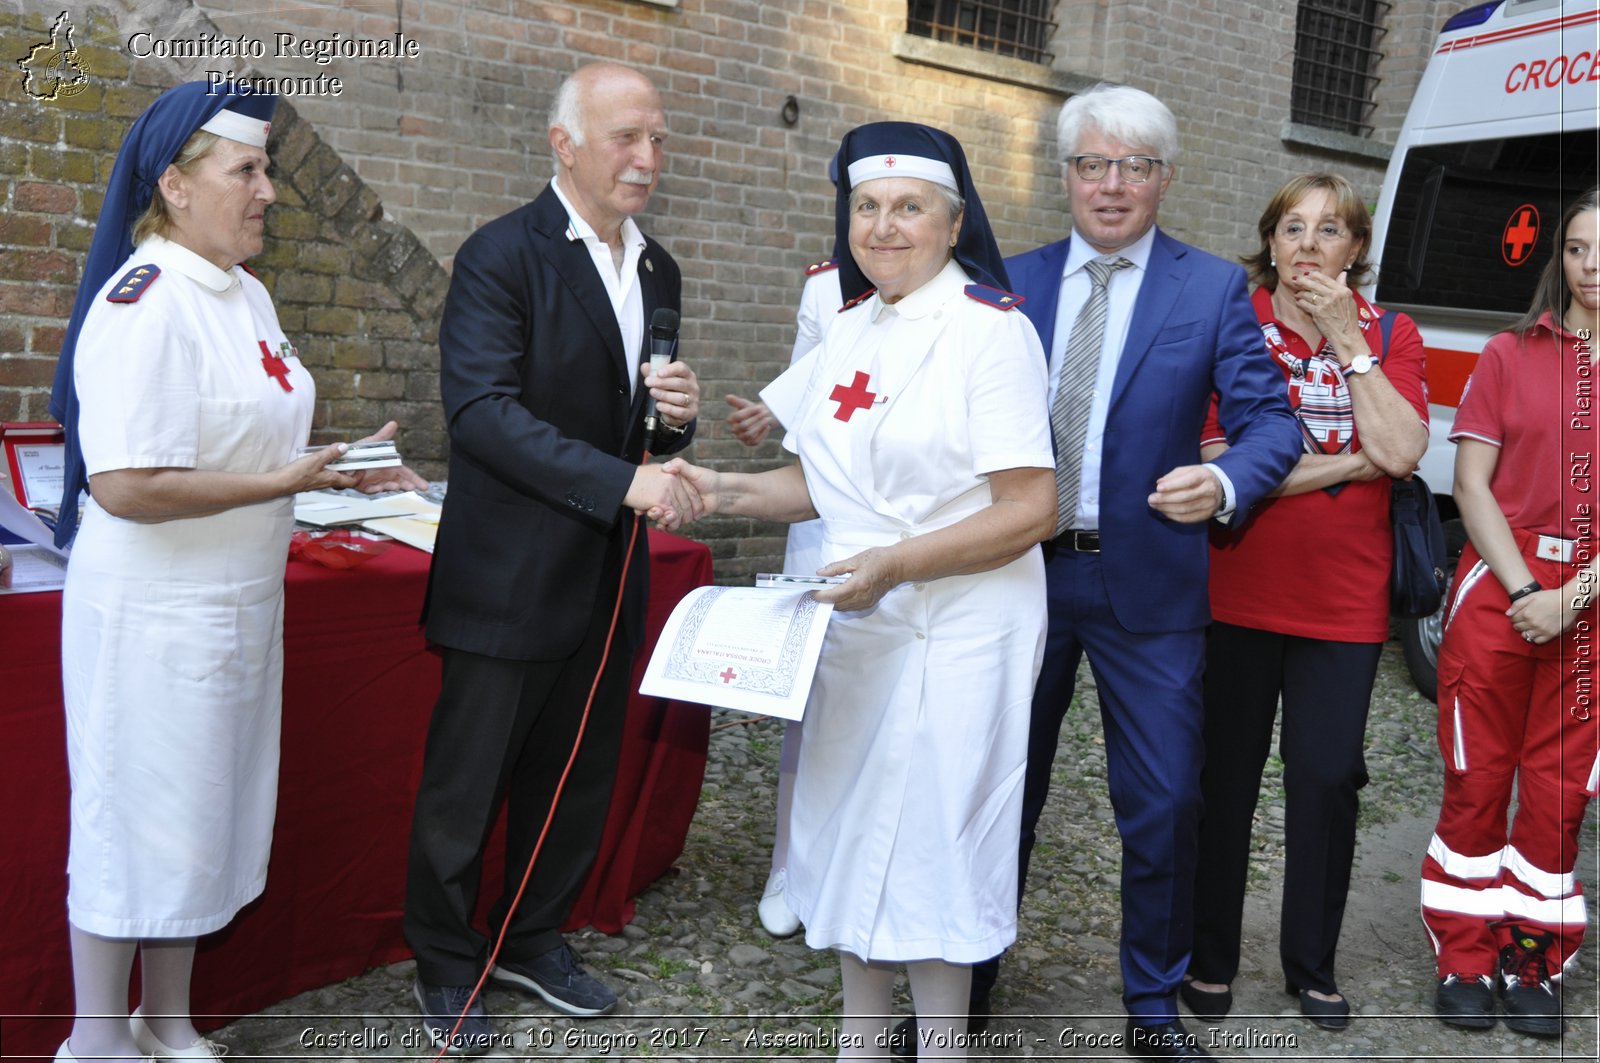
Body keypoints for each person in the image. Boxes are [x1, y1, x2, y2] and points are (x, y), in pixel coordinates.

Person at [663, 121, 1058, 1060]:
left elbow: (1033, 507)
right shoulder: (848, 324)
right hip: (856, 615)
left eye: (908, 208)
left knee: (932, 835)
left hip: (959, 624)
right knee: (842, 816)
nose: (883, 227)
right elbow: (823, 486)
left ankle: (945, 1041)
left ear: (953, 223)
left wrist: (897, 562)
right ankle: (862, 1035)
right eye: (867, 208)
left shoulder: (991, 332)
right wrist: (721, 489)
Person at [49, 81, 425, 1063]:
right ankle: (97, 1038)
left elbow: (250, 439)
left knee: (203, 809)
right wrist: (275, 482)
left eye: (266, 169)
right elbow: (126, 483)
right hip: (152, 611)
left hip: (234, 605)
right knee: (133, 814)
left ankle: (166, 1021)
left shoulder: (249, 294)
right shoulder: (144, 303)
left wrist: (335, 465)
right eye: (246, 170)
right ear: (173, 184)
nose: (269, 191)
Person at [963, 84, 1303, 1063]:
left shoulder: (1209, 290)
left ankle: (1151, 1007)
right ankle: (963, 986)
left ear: (1162, 178)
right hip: (1012, 576)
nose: (1111, 185)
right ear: (1065, 174)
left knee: (1162, 801)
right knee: (992, 789)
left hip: (1147, 588)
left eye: (1134, 166)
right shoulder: (1004, 283)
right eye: (1091, 164)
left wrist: (1225, 477)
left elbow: (1273, 422)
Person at [402, 62, 701, 1052]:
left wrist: (667, 425)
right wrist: (627, 481)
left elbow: (639, 434)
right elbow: (482, 416)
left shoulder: (658, 268)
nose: (648, 159)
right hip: (508, 569)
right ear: (563, 142)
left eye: (657, 139)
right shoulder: (501, 255)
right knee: (468, 781)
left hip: (610, 575)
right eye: (626, 137)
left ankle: (533, 936)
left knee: (578, 773)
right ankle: (446, 962)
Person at [1181, 174, 1428, 1031]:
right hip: (1237, 591)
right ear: (1271, 241)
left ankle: (1310, 963)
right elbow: (1231, 470)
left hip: (1345, 604)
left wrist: (1346, 341)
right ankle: (1209, 958)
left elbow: (1403, 449)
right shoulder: (1230, 321)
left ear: (1355, 249)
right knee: (1225, 781)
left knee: (1326, 780)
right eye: (1293, 227)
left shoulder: (1392, 332)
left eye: (1331, 231)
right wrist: (1355, 461)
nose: (1309, 246)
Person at [1422, 187, 1599, 1038]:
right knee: (1477, 779)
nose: (1591, 264)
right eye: (1575, 248)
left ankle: (1532, 958)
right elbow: (1470, 484)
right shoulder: (1508, 352)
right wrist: (1531, 590)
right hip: (1499, 591)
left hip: (1592, 609)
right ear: (1557, 258)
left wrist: (1574, 596)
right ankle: (1463, 953)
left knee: (1559, 799)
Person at [725, 233, 845, 940]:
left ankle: (852, 866)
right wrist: (772, 412)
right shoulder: (824, 285)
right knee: (808, 696)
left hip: (900, 521)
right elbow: (809, 387)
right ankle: (789, 864)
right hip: (819, 513)